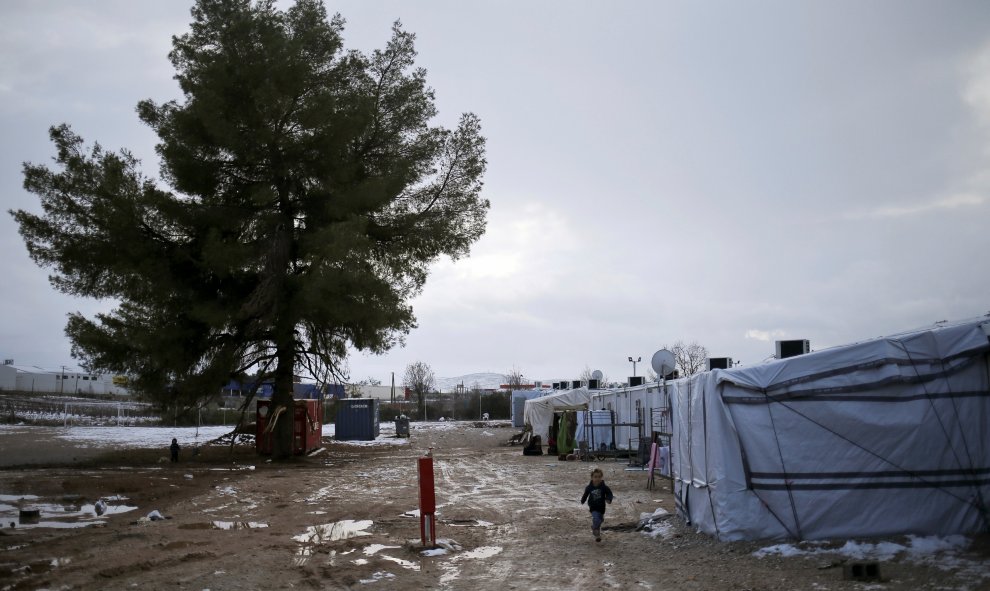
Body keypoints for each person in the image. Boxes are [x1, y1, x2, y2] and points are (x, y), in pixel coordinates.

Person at [580, 467, 613, 542]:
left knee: (600, 520)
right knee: (596, 519)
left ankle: (595, 529)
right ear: (592, 478)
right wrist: (583, 500)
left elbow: (609, 493)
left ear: (601, 478)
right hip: (593, 507)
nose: (597, 479)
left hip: (601, 507)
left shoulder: (604, 487)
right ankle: (596, 533)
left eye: (599, 477)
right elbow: (585, 494)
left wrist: (608, 499)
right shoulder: (589, 487)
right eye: (595, 477)